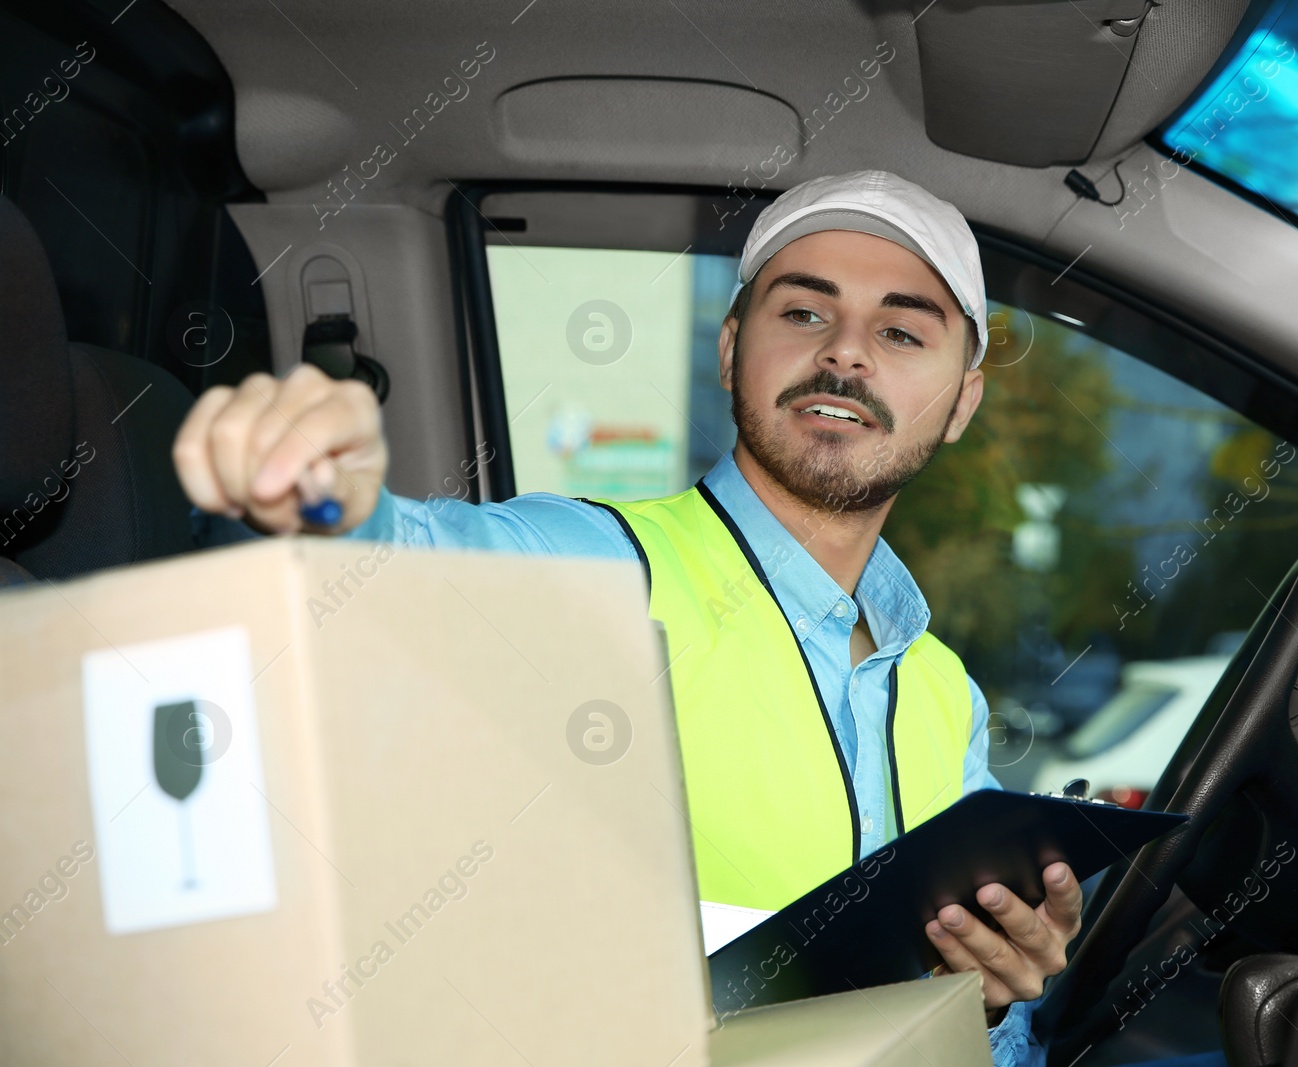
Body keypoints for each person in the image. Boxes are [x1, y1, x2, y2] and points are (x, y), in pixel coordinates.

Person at [173, 170, 1079, 1065]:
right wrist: (319, 495)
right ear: (729, 351)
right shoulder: (602, 565)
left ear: (961, 401)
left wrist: (994, 1004)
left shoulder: (943, 693)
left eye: (900, 330)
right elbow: (390, 565)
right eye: (804, 313)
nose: (846, 353)